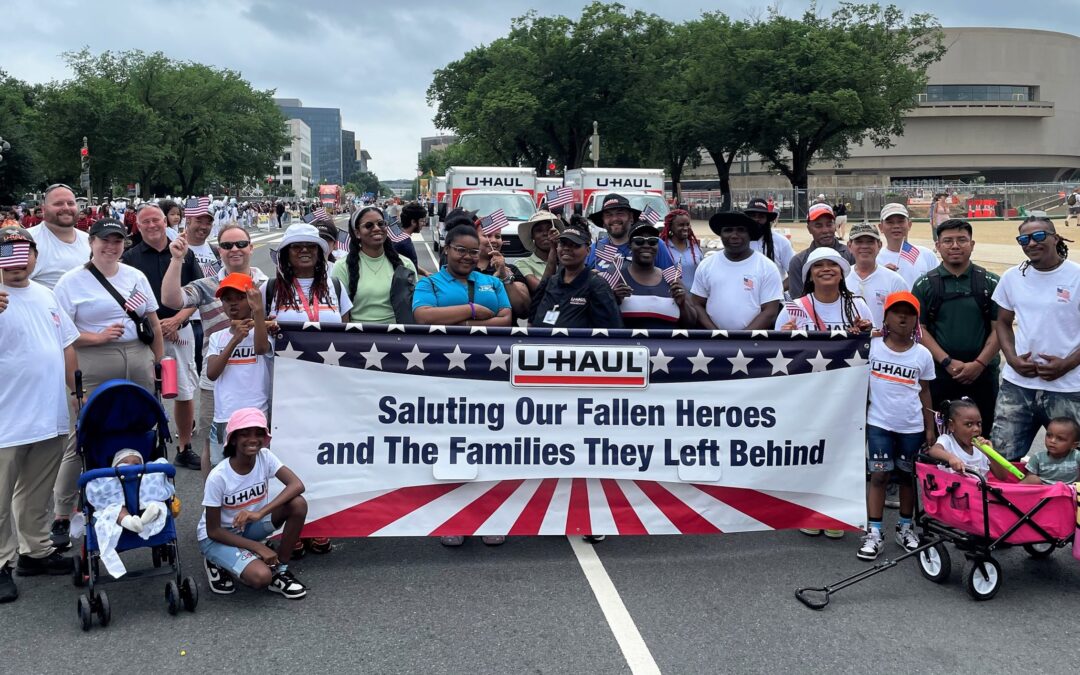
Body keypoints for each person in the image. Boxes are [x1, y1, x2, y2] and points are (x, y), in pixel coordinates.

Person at [50, 218, 164, 551]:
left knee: (145, 428)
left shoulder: (135, 276)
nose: (111, 247)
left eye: (117, 241)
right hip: (93, 360)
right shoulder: (71, 282)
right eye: (104, 241)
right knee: (82, 437)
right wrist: (94, 339)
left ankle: (143, 496)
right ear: (91, 243)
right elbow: (62, 333)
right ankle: (61, 513)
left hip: (138, 357)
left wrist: (159, 364)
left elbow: (152, 322)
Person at [0, 226, 79, 601]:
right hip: (6, 417)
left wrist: (74, 393)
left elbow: (66, 344)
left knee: (35, 492)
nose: (17, 265)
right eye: (7, 257)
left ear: (34, 256)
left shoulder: (46, 294)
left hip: (48, 413)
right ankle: (1, 562)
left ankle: (35, 551)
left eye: (23, 255)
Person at [161, 224, 269, 479]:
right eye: (228, 245)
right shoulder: (206, 285)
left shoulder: (267, 284)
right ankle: (215, 497)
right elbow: (171, 300)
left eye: (241, 244)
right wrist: (177, 260)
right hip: (216, 381)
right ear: (218, 250)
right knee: (214, 443)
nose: (235, 250)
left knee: (259, 443)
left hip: (258, 378)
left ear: (251, 248)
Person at [990, 214, 1080, 460]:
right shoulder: (1012, 277)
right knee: (1002, 458)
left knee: (1070, 465)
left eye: (1039, 236)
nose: (1031, 243)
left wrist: (1067, 364)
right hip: (1018, 384)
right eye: (1024, 239)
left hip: (1069, 387)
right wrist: (1013, 359)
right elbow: (1003, 323)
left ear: (1055, 238)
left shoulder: (1076, 275)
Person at [122, 204, 203, 470]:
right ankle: (148, 445)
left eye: (156, 219)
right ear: (139, 226)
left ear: (164, 220)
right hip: (145, 334)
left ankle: (184, 446)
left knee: (184, 391)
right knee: (146, 391)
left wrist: (179, 318)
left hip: (180, 330)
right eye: (145, 221)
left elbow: (199, 293)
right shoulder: (130, 258)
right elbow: (127, 303)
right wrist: (155, 325)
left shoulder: (183, 252)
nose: (152, 225)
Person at [197, 408, 308, 598]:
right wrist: (258, 547)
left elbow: (297, 485)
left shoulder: (265, 457)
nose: (253, 439)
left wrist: (259, 513)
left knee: (298, 504)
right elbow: (213, 531)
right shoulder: (219, 477)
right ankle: (215, 560)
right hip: (218, 537)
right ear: (232, 439)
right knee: (261, 577)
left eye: (259, 433)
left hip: (248, 526)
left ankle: (280, 570)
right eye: (244, 434)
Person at [857, 292, 936, 560]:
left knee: (906, 478)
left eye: (909, 313)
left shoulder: (922, 355)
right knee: (879, 476)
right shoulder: (872, 347)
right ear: (886, 317)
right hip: (878, 423)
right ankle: (874, 531)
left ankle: (905, 527)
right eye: (897, 311)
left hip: (911, 427)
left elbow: (924, 392)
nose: (903, 317)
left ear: (916, 320)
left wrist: (929, 427)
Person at [912, 219, 1001, 429]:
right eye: (948, 241)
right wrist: (947, 363)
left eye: (962, 240)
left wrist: (978, 364)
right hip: (940, 374)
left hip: (983, 374)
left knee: (983, 434)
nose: (955, 246)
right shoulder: (925, 285)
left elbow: (1001, 329)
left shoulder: (991, 282)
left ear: (972, 244)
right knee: (940, 433)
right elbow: (920, 329)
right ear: (938, 246)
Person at [205, 274, 272, 472]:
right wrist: (234, 340)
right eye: (227, 300)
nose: (233, 304)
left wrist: (258, 313)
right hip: (225, 414)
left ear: (252, 299)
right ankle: (214, 501)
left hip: (256, 413)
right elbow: (212, 373)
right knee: (221, 466)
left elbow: (261, 348)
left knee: (258, 467)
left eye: (240, 298)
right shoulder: (218, 336)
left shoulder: (263, 330)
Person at [85, 449, 174, 578]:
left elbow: (162, 470)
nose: (130, 467)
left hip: (143, 504)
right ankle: (132, 522)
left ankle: (143, 520)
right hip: (118, 505)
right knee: (113, 511)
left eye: (136, 463)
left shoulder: (147, 475)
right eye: (124, 463)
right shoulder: (107, 479)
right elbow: (96, 490)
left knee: (158, 505)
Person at [690, 211, 782, 330]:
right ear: (721, 234)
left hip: (753, 345)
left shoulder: (767, 267)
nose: (734, 235)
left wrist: (741, 339)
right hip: (714, 344)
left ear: (750, 234)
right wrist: (717, 335)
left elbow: (770, 312)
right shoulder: (706, 265)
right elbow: (697, 304)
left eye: (741, 230)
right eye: (728, 230)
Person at [413, 225, 512, 332]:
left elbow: (505, 320)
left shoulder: (493, 282)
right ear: (446, 249)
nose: (468, 256)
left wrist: (464, 324)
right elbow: (423, 317)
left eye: (474, 252)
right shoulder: (429, 283)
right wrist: (472, 310)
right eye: (461, 250)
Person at [528, 221, 622, 329]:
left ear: (588, 250)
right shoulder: (547, 283)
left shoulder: (597, 286)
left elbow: (611, 331)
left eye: (575, 245)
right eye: (563, 244)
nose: (567, 248)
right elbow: (530, 325)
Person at [333, 206, 416, 324]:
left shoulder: (405, 264)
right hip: (358, 338)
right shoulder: (342, 267)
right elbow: (340, 314)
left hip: (398, 338)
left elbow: (414, 307)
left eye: (381, 223)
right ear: (357, 233)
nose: (377, 228)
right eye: (368, 225)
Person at [617, 220, 697, 329]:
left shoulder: (671, 279)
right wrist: (614, 301)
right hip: (632, 345)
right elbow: (603, 322)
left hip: (667, 345)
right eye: (639, 241)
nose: (646, 245)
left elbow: (691, 323)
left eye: (652, 241)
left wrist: (682, 304)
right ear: (630, 246)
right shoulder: (617, 279)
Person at [776, 248, 873, 333]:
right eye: (818, 265)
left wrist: (864, 332)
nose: (826, 269)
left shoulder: (858, 305)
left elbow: (874, 344)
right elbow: (777, 349)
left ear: (841, 274)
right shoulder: (793, 309)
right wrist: (786, 337)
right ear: (810, 276)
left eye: (833, 264)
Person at [268, 223, 352, 323]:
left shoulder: (336, 286)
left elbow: (345, 332)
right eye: (296, 246)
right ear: (287, 253)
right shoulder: (270, 288)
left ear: (319, 252)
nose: (304, 250)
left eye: (311, 246)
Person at [586, 194, 674, 273]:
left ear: (631, 217)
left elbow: (673, 281)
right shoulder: (595, 249)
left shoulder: (652, 243)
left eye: (620, 213)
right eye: (608, 215)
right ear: (603, 222)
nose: (614, 219)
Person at [927, 400, 1010, 481]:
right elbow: (933, 450)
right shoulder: (948, 440)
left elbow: (1002, 476)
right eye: (969, 424)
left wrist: (991, 454)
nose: (976, 429)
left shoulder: (982, 447)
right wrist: (951, 458)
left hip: (980, 493)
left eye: (979, 424)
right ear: (951, 425)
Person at [27, 185, 91, 290]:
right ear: (44, 209)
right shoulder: (26, 240)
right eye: (58, 203)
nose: (66, 208)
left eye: (70, 203)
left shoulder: (90, 241)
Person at [845, 222, 906, 330]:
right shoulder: (841, 278)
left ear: (879, 245)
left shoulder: (894, 281)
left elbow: (905, 319)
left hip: (883, 344)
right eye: (859, 242)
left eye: (870, 242)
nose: (864, 246)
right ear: (849, 246)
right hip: (848, 344)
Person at [787, 203, 855, 299]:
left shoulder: (851, 255)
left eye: (829, 224)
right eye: (818, 225)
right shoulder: (798, 262)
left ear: (835, 225)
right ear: (809, 229)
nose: (825, 230)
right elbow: (798, 302)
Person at [475, 222, 530, 320]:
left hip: (505, 333)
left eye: (497, 236)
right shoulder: (465, 268)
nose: (493, 240)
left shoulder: (512, 269)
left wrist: (505, 277)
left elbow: (523, 311)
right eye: (487, 235)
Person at [876, 203, 937, 288]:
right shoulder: (875, 260)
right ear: (881, 227)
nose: (896, 226)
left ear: (909, 224)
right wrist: (881, 275)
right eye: (890, 222)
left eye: (900, 221)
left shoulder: (927, 255)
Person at [743, 197, 795, 291]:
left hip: (775, 300)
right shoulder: (739, 243)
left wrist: (775, 292)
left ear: (767, 219)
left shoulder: (781, 242)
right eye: (753, 216)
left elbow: (794, 275)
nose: (756, 219)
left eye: (761, 216)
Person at [1021, 417, 1080, 484]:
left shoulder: (1076, 456)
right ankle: (1011, 492)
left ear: (1073, 445)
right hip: (1043, 490)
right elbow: (1029, 479)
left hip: (1067, 491)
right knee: (1033, 479)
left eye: (1060, 438)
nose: (1052, 441)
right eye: (1049, 435)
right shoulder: (1038, 457)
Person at [658, 208, 703, 291]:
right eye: (681, 225)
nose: (685, 228)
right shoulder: (663, 248)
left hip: (695, 299)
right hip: (671, 298)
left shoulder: (695, 247)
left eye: (687, 224)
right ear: (670, 227)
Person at [516, 211, 560, 292]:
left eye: (550, 229)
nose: (546, 233)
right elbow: (540, 289)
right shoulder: (523, 264)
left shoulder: (565, 259)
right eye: (539, 230)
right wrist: (553, 249)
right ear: (532, 236)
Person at [394, 202, 432, 276]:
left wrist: (425, 272)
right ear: (413, 222)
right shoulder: (405, 244)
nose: (424, 224)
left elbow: (408, 263)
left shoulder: (396, 232)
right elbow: (412, 268)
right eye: (422, 221)